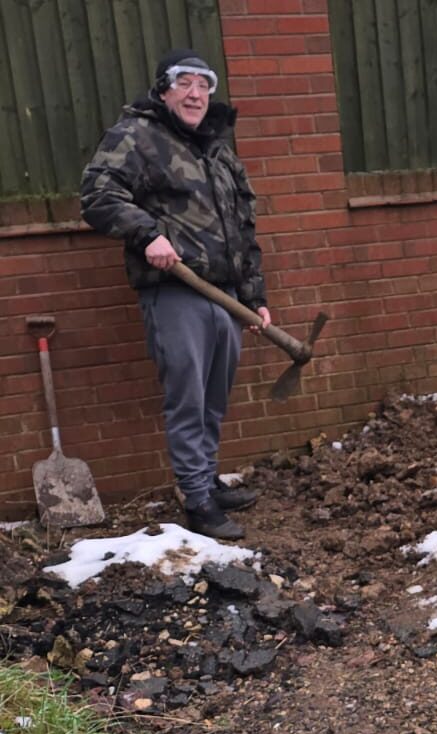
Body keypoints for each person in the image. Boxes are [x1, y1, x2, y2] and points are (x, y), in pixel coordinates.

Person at [81, 49, 269, 540]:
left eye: (204, 85)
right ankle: (196, 499)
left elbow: (242, 226)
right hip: (176, 292)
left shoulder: (217, 148)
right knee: (187, 397)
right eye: (184, 83)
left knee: (213, 398)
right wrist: (147, 234)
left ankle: (205, 478)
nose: (196, 94)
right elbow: (98, 193)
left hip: (224, 293)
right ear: (163, 90)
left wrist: (254, 295)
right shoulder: (138, 136)